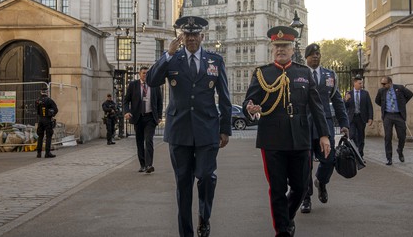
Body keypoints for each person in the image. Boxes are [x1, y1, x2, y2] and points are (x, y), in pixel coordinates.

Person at [147, 16, 231, 237]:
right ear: (181, 37)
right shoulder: (172, 59)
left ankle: (204, 217)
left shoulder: (215, 61)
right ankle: (186, 232)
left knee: (206, 177)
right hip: (179, 131)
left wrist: (225, 129)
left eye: (195, 35)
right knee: (183, 185)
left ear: (203, 37)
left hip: (207, 130)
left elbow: (224, 97)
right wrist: (168, 54)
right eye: (188, 35)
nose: (192, 38)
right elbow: (151, 80)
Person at [244, 27, 331, 237]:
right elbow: (250, 101)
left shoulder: (303, 72)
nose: (280, 50)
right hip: (272, 139)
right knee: (277, 188)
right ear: (272, 48)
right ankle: (282, 231)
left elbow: (316, 106)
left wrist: (324, 135)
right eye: (277, 46)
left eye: (285, 46)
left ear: (293, 49)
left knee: (301, 187)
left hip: (300, 138)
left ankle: (287, 217)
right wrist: (250, 109)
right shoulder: (262, 73)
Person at [301, 43, 349, 214]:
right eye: (312, 54)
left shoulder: (330, 75)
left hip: (325, 125)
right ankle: (306, 198)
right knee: (305, 165)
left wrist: (344, 123)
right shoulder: (299, 74)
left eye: (318, 54)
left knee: (329, 159)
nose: (315, 56)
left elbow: (337, 101)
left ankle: (321, 182)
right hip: (304, 125)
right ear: (306, 57)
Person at [124, 66, 163, 173]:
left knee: (149, 140)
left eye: (147, 73)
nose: (145, 75)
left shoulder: (155, 85)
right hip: (138, 117)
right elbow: (126, 100)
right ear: (139, 74)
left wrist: (159, 116)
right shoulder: (133, 85)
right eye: (144, 73)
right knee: (139, 141)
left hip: (150, 117)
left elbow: (159, 101)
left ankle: (149, 164)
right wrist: (127, 112)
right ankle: (143, 165)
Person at [374, 76, 413, 165]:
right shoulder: (381, 91)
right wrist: (384, 106)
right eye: (382, 84)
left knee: (402, 136)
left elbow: (410, 94)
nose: (382, 85)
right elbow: (377, 101)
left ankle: (400, 150)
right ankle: (389, 158)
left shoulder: (399, 88)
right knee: (388, 137)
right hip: (388, 115)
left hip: (399, 115)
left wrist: (402, 103)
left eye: (384, 84)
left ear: (390, 83)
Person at [344, 76, 373, 158]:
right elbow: (345, 107)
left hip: (361, 118)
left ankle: (360, 155)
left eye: (362, 83)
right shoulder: (349, 93)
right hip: (352, 118)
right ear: (355, 83)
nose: (361, 85)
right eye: (360, 83)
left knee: (361, 136)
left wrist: (370, 118)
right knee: (352, 135)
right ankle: (353, 152)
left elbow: (369, 106)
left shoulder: (365, 93)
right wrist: (346, 100)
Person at [36, 87, 59, 158]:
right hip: (47, 120)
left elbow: (37, 111)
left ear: (41, 92)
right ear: (47, 92)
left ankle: (39, 153)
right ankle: (47, 152)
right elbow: (56, 109)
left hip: (40, 120)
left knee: (40, 136)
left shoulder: (37, 101)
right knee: (48, 136)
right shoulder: (49, 100)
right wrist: (51, 114)